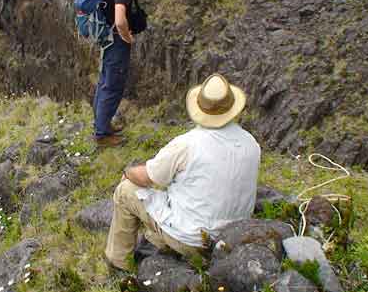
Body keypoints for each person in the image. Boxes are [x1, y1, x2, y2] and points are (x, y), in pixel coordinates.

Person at [105, 73, 261, 270]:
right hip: (233, 235)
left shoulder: (187, 144)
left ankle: (119, 262)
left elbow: (147, 177)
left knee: (125, 190)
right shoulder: (250, 143)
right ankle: (159, 241)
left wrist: (128, 171)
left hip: (194, 239)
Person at [93, 0, 160, 147]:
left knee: (105, 80)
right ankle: (102, 134)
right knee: (113, 85)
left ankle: (101, 124)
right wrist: (127, 38)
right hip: (117, 39)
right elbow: (121, 19)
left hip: (106, 36)